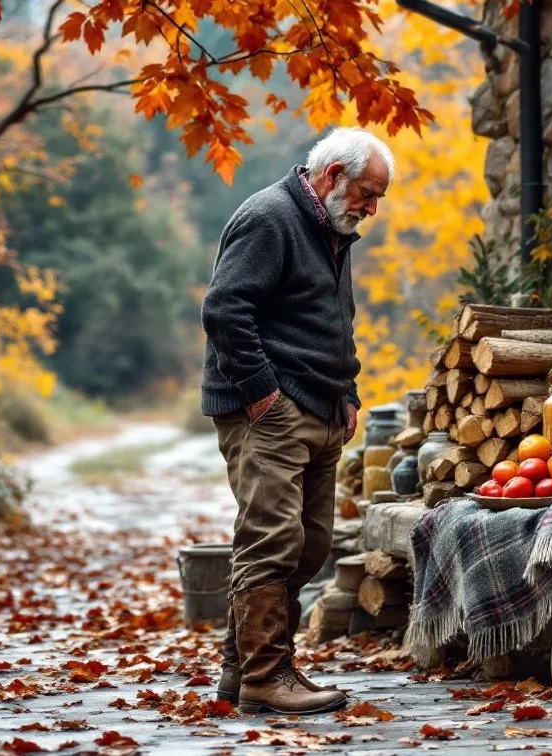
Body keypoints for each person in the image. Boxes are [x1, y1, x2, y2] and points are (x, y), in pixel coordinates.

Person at [199, 127, 393, 715]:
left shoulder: (333, 230)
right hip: (270, 411)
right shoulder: (269, 218)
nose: (371, 207)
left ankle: (241, 668)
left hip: (322, 407)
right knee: (272, 540)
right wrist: (263, 396)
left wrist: (349, 389)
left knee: (309, 545)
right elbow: (225, 310)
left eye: (377, 197)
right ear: (333, 174)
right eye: (367, 192)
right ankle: (266, 675)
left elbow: (335, 320)